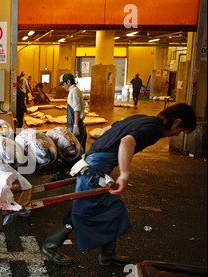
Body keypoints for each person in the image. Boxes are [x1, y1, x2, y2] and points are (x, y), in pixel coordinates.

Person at [40, 103, 196, 266]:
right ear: (177, 122)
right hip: (94, 169)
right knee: (81, 210)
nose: (177, 134)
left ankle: (107, 254)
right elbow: (127, 142)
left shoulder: (141, 118)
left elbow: (105, 130)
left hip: (94, 162)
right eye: (181, 131)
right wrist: (124, 174)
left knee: (113, 209)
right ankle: (49, 247)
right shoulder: (154, 129)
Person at [51, 73, 87, 181]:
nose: (63, 87)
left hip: (76, 125)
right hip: (74, 125)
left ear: (68, 82)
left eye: (63, 84)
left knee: (69, 151)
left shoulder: (74, 91)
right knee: (77, 151)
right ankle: (74, 172)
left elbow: (76, 109)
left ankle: (63, 173)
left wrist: (75, 126)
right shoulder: (74, 91)